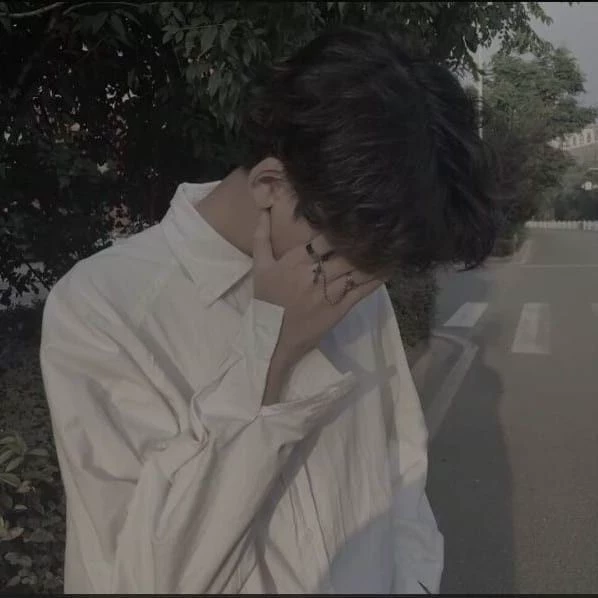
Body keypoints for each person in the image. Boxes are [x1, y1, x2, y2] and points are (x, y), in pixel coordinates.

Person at [40, 26, 497, 594]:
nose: (364, 279)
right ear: (269, 185)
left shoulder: (356, 278)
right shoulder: (104, 310)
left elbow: (399, 468)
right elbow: (144, 577)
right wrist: (269, 356)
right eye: (356, 254)